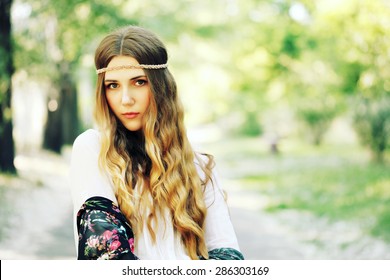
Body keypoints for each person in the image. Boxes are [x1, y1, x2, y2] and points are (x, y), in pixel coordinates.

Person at [69, 25, 243, 260]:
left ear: (160, 86)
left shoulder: (199, 167)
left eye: (139, 82)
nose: (126, 99)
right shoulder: (92, 149)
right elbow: (106, 256)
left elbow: (229, 260)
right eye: (113, 85)